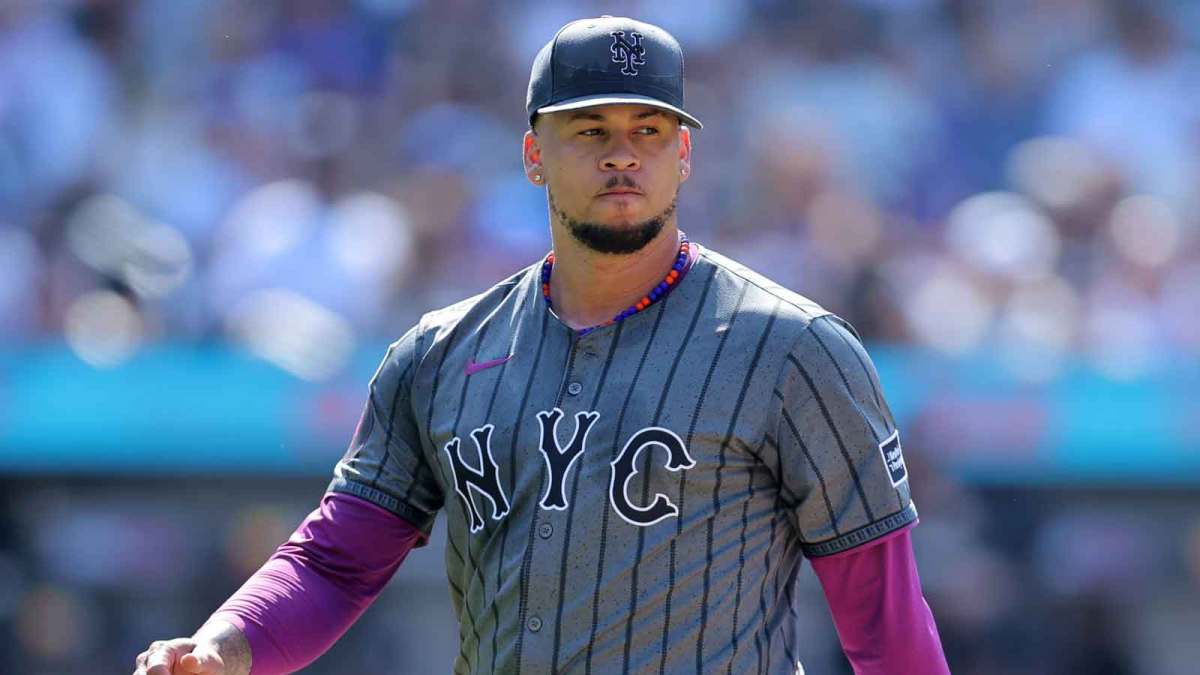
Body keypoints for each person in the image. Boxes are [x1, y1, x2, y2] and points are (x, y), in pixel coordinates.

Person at [134, 16, 949, 675]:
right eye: (589, 128)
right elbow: (338, 560)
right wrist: (222, 646)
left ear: (684, 156)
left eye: (650, 129)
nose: (622, 152)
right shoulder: (440, 353)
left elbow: (884, 619)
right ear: (533, 155)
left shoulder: (795, 349)